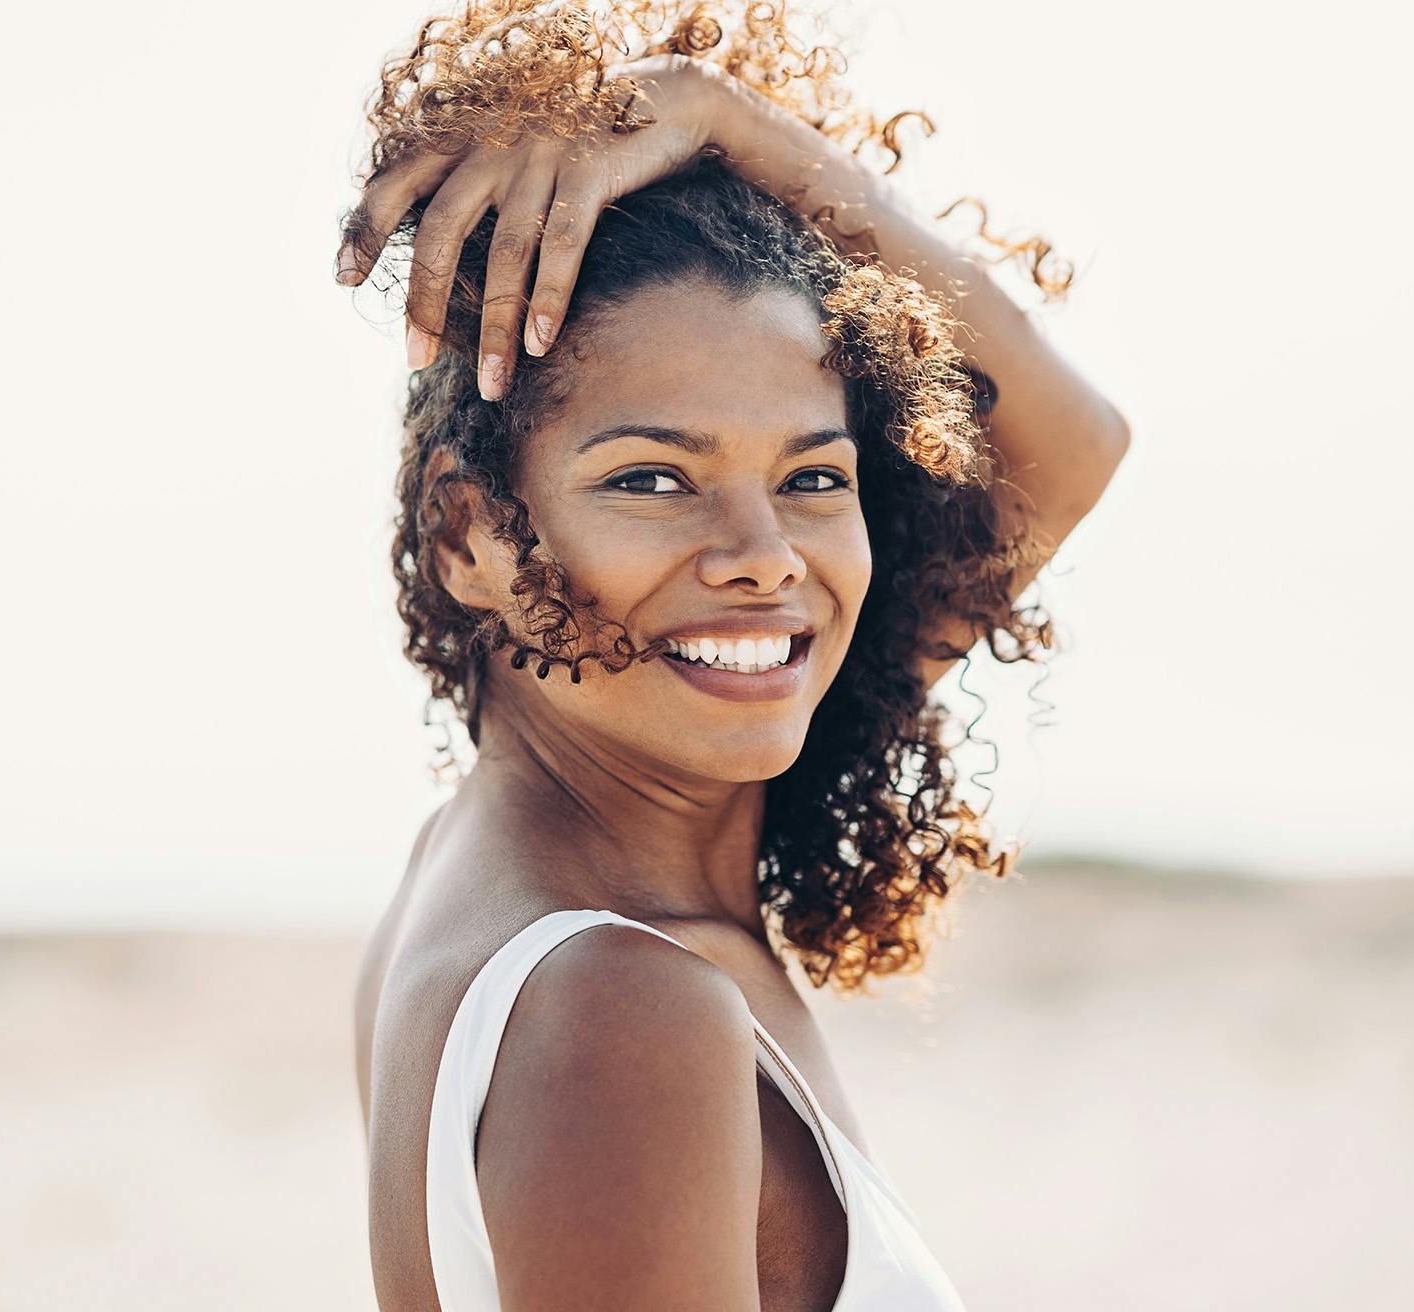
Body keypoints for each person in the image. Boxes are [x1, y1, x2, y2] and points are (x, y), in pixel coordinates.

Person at [338, 4, 1130, 1307]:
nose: (764, 557)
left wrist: (731, 122)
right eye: (654, 478)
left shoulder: (509, 863)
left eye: (814, 477)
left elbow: (1067, 448)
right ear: (469, 532)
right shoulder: (619, 1007)